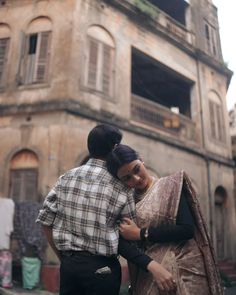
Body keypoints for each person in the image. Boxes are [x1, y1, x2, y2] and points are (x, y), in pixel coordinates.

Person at [36, 124, 176, 295]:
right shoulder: (121, 185)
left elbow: (45, 221)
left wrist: (64, 258)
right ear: (115, 147)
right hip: (103, 270)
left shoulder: (66, 178)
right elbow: (129, 240)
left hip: (69, 267)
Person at [106, 144, 223, 295]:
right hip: (150, 276)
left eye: (136, 169)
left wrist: (141, 233)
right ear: (120, 181)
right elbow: (124, 245)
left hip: (187, 272)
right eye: (127, 178)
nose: (136, 178)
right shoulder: (126, 204)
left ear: (141, 160)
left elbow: (187, 229)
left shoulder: (171, 186)